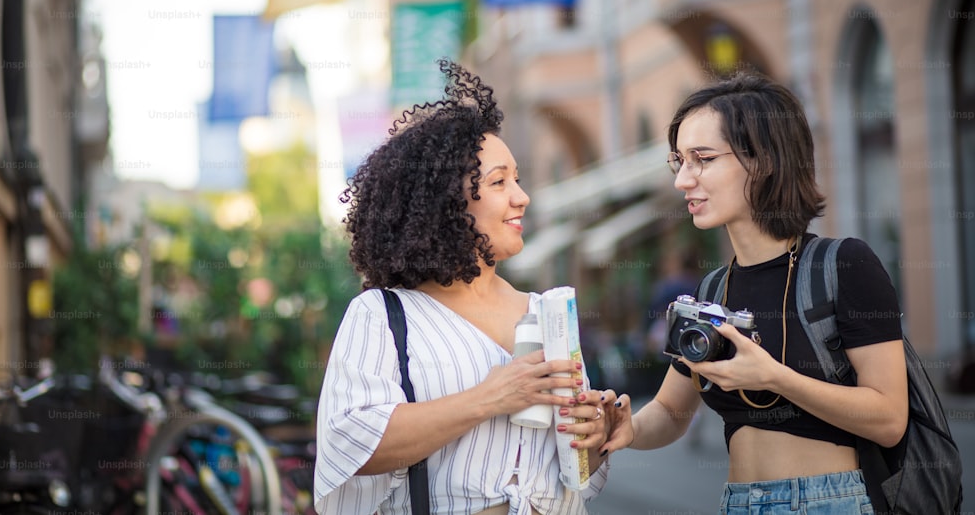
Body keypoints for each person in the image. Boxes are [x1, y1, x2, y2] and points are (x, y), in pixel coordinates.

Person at [313, 59, 630, 515]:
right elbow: (351, 442)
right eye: (499, 182)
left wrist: (595, 437)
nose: (521, 196)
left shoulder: (545, 311)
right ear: (445, 203)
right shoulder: (384, 315)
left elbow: (568, 472)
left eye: (517, 178)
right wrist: (489, 398)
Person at [605, 72, 908, 514]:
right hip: (738, 503)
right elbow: (672, 410)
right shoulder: (712, 288)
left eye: (702, 159)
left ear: (762, 160)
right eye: (679, 161)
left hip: (829, 502)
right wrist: (626, 429)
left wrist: (772, 376)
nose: (682, 181)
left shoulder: (844, 265)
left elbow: (889, 419)